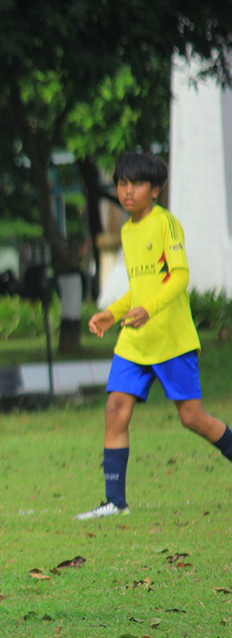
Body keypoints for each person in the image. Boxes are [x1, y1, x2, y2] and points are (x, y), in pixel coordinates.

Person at [78, 150, 232, 520]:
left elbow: (179, 276)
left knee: (192, 418)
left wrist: (150, 309)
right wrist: (113, 313)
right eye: (122, 183)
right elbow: (139, 288)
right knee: (115, 409)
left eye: (136, 184)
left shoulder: (166, 223)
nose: (127, 191)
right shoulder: (127, 231)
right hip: (135, 340)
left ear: (155, 190)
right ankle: (114, 502)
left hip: (170, 339)